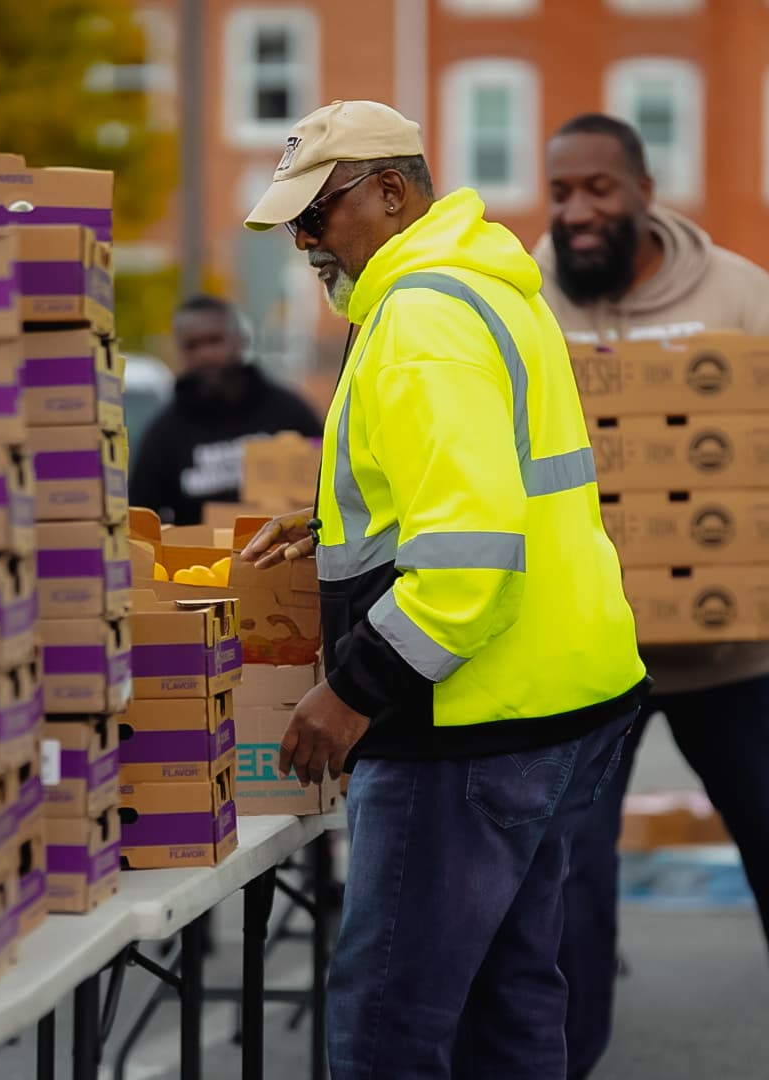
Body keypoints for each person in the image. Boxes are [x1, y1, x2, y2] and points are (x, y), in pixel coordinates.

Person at [238, 99, 649, 1079]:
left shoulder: (420, 319)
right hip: (550, 705)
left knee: (391, 1021)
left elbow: (466, 562)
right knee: (509, 999)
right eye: (290, 221)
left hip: (464, 726)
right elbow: (482, 491)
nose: (302, 239)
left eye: (316, 212)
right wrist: (338, 525)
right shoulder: (484, 289)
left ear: (389, 192)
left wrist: (349, 693)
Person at [536, 113, 769, 1080]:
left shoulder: (740, 294)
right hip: (589, 658)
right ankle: (566, 1064)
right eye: (561, 193)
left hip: (732, 654)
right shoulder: (523, 300)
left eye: (598, 189)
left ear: (644, 189)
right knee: (574, 876)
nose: (578, 211)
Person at [127, 294, 322, 525]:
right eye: (192, 346)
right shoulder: (165, 434)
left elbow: (331, 482)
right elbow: (139, 518)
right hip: (199, 560)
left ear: (240, 340)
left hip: (283, 556)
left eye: (214, 340)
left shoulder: (289, 412)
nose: (205, 354)